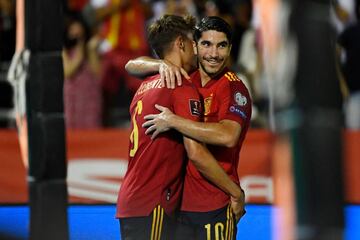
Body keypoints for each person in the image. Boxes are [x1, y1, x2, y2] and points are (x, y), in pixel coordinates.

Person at [116, 14, 245, 240]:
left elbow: (229, 135)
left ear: (229, 48)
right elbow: (194, 152)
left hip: (174, 203)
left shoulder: (148, 83)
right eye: (203, 44)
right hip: (158, 202)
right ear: (183, 43)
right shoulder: (181, 83)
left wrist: (173, 120)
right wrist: (236, 192)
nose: (211, 53)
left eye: (221, 46)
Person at [62, 12, 103, 128]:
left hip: (89, 96)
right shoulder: (64, 51)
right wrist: (79, 50)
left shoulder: (90, 50)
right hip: (72, 97)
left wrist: (91, 51)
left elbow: (98, 74)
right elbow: (68, 72)